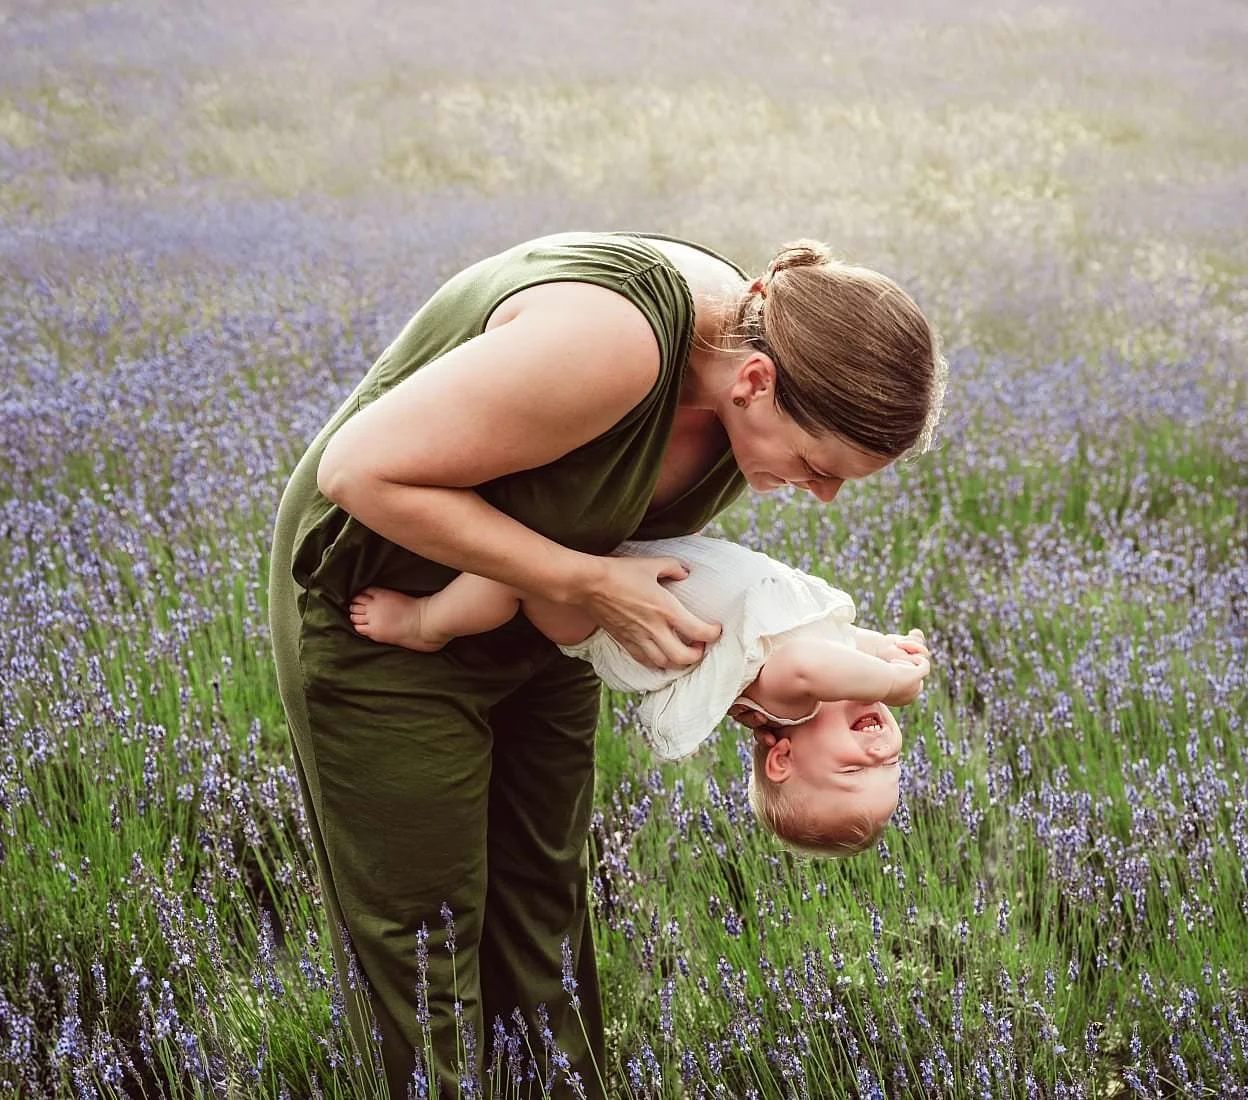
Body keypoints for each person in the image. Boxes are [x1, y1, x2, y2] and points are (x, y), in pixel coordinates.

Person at [267, 230, 947, 1098]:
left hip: (546, 617)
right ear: (756, 384)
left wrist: (729, 671)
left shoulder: (761, 360)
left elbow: (615, 533)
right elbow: (358, 473)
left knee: (543, 917)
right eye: (818, 467)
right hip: (382, 607)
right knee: (425, 938)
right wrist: (588, 580)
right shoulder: (616, 343)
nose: (820, 496)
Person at [347, 534, 931, 855]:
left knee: (519, 577)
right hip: (633, 573)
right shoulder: (832, 665)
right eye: (895, 763)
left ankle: (426, 620)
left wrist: (889, 680)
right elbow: (832, 634)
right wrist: (882, 647)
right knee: (544, 549)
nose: (880, 754)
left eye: (856, 772)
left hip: (605, 624)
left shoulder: (786, 698)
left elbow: (808, 661)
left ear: (782, 757)